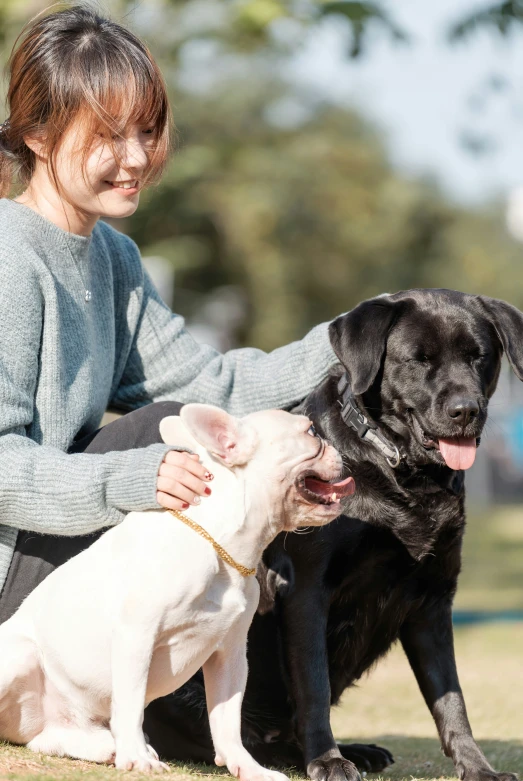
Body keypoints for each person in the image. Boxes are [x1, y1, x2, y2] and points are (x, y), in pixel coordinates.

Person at [0, 4, 339, 623]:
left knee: (189, 425)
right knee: (154, 430)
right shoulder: (8, 256)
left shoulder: (114, 257)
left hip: (57, 561)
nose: (136, 159)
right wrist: (129, 479)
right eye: (107, 136)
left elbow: (213, 389)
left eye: (148, 131)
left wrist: (351, 340)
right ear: (37, 134)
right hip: (9, 576)